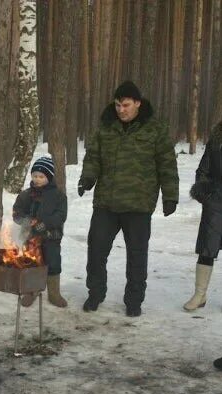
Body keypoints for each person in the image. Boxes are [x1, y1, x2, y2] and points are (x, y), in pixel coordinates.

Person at [78, 81, 179, 317]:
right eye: (117, 105)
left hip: (138, 204)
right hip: (106, 203)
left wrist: (170, 196)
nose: (120, 110)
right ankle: (95, 293)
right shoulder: (106, 127)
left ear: (137, 104)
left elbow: (167, 163)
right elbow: (93, 156)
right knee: (96, 250)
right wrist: (88, 178)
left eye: (125, 105)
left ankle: (134, 300)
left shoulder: (154, 129)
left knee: (136, 255)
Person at [13, 155, 68, 308]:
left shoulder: (58, 196)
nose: (37, 179)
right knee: (32, 263)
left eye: (41, 176)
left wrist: (44, 225)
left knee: (53, 262)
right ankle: (32, 291)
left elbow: (60, 216)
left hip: (51, 237)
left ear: (49, 178)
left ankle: (54, 293)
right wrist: (27, 221)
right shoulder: (26, 195)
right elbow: (17, 213)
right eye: (35, 176)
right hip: (30, 237)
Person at [183, 114, 222, 312]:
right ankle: (200, 295)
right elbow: (203, 169)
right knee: (207, 248)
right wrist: (205, 195)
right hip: (216, 202)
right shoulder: (217, 139)